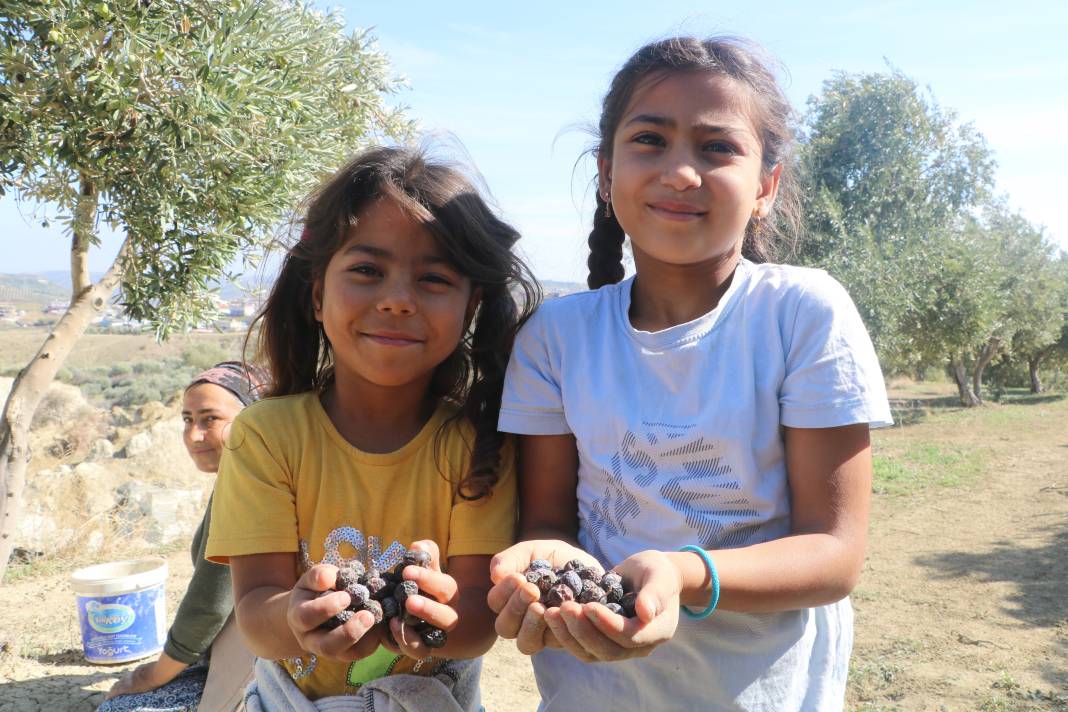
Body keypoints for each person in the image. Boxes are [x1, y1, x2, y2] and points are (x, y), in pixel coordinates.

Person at [487, 36, 893, 711]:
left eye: (717, 148)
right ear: (605, 172)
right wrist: (538, 569)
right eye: (650, 139)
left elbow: (833, 552)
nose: (680, 172)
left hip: (765, 692)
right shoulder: (555, 339)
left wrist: (681, 574)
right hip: (593, 694)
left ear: (766, 186)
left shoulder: (802, 315)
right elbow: (550, 521)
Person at [205, 145, 539, 711]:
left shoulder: (477, 447)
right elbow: (257, 612)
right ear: (317, 294)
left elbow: (478, 621)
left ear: (470, 306)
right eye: (366, 271)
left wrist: (431, 622)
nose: (397, 301)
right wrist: (296, 616)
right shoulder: (265, 436)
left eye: (434, 278)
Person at [101, 361, 267, 712]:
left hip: (259, 669)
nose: (194, 435)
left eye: (210, 419)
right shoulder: (254, 474)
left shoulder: (248, 487)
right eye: (188, 420)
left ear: (254, 421)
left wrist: (151, 675)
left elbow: (209, 605)